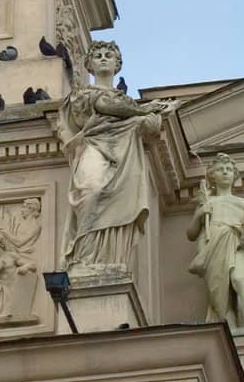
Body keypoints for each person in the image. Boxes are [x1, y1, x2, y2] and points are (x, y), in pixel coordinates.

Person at [57, 41, 175, 271]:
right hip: (93, 146)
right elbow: (104, 105)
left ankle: (105, 259)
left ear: (117, 64)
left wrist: (152, 118)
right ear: (89, 65)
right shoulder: (82, 95)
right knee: (91, 190)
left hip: (124, 153)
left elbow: (150, 127)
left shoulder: (128, 103)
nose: (103, 58)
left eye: (108, 55)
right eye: (98, 55)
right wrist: (147, 110)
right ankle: (83, 255)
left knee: (119, 201)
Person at [186, 154, 244, 331]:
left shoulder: (243, 202)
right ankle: (228, 326)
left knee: (238, 279)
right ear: (212, 176)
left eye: (229, 170)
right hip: (213, 246)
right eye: (221, 169)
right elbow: (191, 234)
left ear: (234, 175)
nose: (225, 172)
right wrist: (200, 214)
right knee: (220, 293)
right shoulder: (208, 202)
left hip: (237, 242)